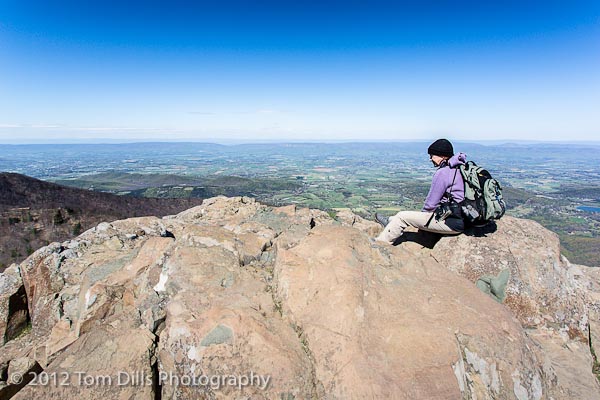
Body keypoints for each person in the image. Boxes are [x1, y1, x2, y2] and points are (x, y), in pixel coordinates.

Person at [375, 139, 466, 244]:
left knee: (402, 216)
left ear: (442, 156)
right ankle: (391, 221)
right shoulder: (461, 168)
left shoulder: (443, 173)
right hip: (464, 219)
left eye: (432, 155)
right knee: (401, 217)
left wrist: (421, 221)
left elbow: (430, 205)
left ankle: (380, 243)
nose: (430, 159)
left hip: (453, 223)